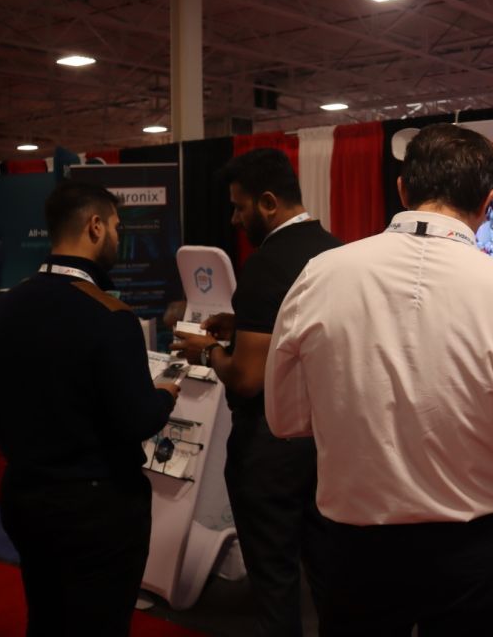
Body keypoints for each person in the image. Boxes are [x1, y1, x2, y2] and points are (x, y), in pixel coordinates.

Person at [265, 123, 493, 637]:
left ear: (402, 190)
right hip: (478, 548)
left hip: (355, 547)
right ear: (490, 202)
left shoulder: (319, 275)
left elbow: (287, 419)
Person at [0, 181, 178, 636]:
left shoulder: (8, 305)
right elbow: (137, 419)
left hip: (24, 496)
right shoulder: (109, 315)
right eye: (116, 227)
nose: (118, 236)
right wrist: (165, 395)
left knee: (46, 618)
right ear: (95, 227)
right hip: (95, 509)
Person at [172, 148, 341, 637]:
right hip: (329, 442)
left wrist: (206, 351)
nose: (234, 219)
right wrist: (241, 324)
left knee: (274, 583)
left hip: (269, 449)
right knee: (329, 576)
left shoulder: (265, 265)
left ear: (268, 202)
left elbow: (247, 376)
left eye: (239, 206)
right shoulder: (335, 251)